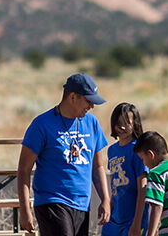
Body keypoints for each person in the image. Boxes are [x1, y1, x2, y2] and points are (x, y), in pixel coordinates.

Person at [17, 73, 112, 236]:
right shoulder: (41, 125)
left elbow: (97, 166)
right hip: (52, 202)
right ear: (73, 97)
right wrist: (25, 209)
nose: (91, 106)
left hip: (82, 204)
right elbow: (24, 169)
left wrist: (105, 199)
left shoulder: (92, 123)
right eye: (88, 100)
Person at [103, 103, 149, 236]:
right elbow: (115, 184)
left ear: (135, 124)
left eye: (127, 123)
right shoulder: (112, 150)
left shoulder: (138, 150)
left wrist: (137, 223)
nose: (122, 127)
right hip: (114, 219)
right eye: (118, 123)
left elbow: (143, 188)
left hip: (132, 220)